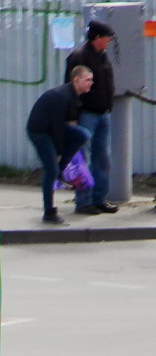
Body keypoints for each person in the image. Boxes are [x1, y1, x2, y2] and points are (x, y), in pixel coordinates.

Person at [25, 65, 93, 225]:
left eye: (91, 80)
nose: (91, 83)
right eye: (88, 80)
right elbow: (56, 128)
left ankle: (61, 170)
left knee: (83, 134)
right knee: (51, 169)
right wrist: (58, 153)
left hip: (52, 128)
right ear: (76, 80)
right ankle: (49, 212)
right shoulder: (62, 96)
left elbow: (68, 123)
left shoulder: (74, 95)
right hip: (40, 132)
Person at [65, 20, 119, 215]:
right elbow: (70, 89)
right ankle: (84, 202)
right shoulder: (80, 57)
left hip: (102, 113)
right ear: (97, 38)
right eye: (107, 38)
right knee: (82, 159)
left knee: (102, 158)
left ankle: (99, 199)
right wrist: (72, 116)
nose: (109, 42)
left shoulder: (102, 56)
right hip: (86, 114)